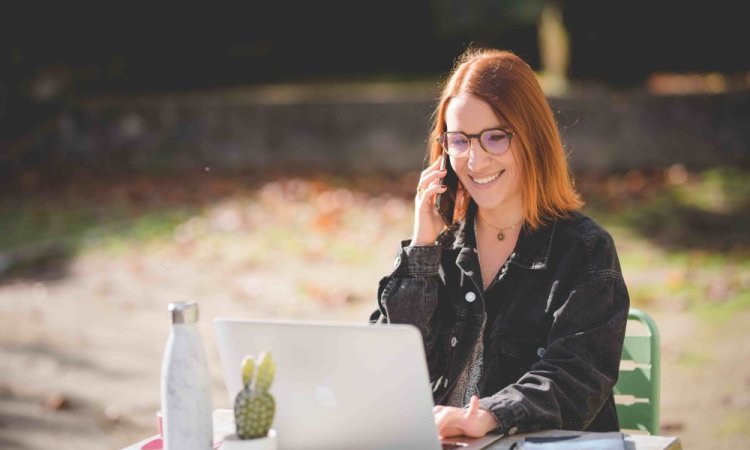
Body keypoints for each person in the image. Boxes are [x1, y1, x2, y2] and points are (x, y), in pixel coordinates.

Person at [369, 47, 630, 439]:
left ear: (533, 140)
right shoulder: (438, 248)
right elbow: (386, 365)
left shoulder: (586, 251)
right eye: (459, 140)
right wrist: (422, 250)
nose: (474, 161)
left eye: (495, 138)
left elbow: (576, 378)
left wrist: (489, 415)